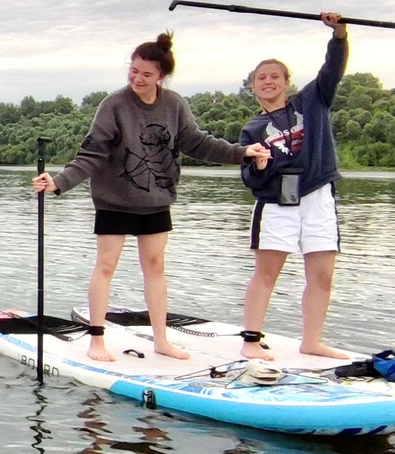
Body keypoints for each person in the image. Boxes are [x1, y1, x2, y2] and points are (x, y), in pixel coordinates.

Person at [32, 32, 269, 362]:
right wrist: (58, 182)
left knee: (155, 266)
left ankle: (161, 339)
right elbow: (92, 154)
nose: (137, 78)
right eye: (133, 70)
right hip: (114, 200)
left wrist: (242, 152)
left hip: (156, 200)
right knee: (106, 265)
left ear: (161, 76)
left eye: (146, 74)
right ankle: (96, 341)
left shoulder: (173, 105)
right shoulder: (113, 105)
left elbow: (199, 143)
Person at [238, 12, 351, 360]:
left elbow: (333, 67)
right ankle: (251, 342)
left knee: (323, 276)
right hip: (277, 204)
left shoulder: (312, 102)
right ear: (253, 86)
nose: (268, 81)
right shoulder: (253, 129)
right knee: (267, 273)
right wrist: (258, 166)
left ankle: (312, 341)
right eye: (261, 78)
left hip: (318, 196)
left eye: (275, 76)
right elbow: (250, 180)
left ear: (286, 81)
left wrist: (339, 34)